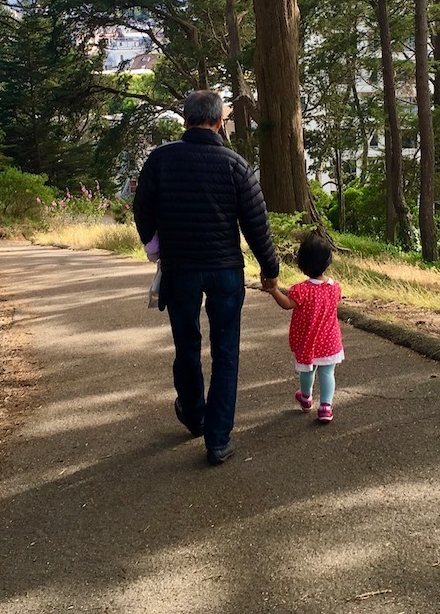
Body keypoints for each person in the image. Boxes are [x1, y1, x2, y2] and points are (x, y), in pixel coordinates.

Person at [133, 89, 280, 465]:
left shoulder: (160, 161)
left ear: (185, 120)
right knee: (226, 352)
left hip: (180, 270)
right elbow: (256, 225)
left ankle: (194, 413)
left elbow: (142, 209)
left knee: (187, 346)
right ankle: (217, 439)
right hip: (224, 271)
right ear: (218, 122)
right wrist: (270, 270)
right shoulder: (235, 165)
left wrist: (154, 246)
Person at [264, 233, 344, 423]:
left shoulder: (302, 290)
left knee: (307, 371)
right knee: (327, 373)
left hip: (307, 340)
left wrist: (274, 290)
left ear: (302, 265)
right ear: (328, 262)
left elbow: (287, 304)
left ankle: (306, 397)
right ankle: (326, 407)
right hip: (330, 341)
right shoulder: (335, 287)